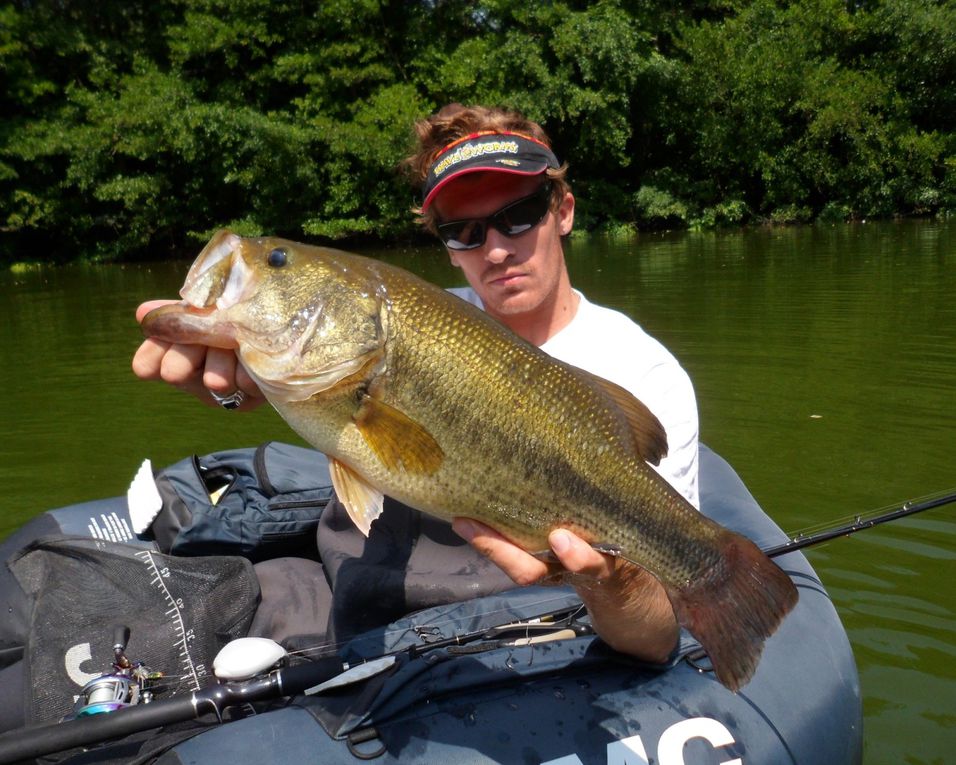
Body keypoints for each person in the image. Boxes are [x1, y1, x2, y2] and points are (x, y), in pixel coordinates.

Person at [132, 104, 699, 664]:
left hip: (537, 644)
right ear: (446, 248)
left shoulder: (643, 375)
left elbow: (658, 637)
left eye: (519, 215)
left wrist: (606, 581)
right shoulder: (418, 324)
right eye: (463, 232)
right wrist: (236, 389)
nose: (497, 249)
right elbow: (325, 399)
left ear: (564, 211)